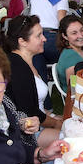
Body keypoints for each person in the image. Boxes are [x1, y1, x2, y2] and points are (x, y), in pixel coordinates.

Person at [4, 15, 62, 145]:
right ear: (22, 42)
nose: (44, 39)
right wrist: (56, 123)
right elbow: (29, 112)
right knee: (71, 140)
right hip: (26, 134)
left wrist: (54, 117)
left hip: (38, 123)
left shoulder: (27, 63)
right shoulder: (16, 67)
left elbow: (36, 105)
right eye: (39, 35)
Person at [29, 0, 74, 72]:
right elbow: (61, 20)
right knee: (75, 57)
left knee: (40, 78)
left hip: (34, 38)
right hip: (52, 38)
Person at [55, 14, 83, 86]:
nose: (80, 35)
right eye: (74, 33)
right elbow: (73, 89)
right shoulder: (71, 59)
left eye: (82, 30)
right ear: (65, 36)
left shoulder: (78, 50)